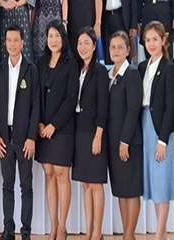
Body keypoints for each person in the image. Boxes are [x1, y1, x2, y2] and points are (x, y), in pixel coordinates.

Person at [0, 25, 40, 240]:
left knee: (26, 186)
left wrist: (31, 137)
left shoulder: (31, 70)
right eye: (9, 40)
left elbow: (36, 106)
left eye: (16, 40)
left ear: (22, 43)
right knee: (7, 186)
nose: (12, 44)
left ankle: (26, 231)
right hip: (4, 137)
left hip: (24, 139)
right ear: (5, 43)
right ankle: (8, 230)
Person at [36, 20, 79, 240]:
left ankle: (62, 227)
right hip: (43, 129)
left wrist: (54, 125)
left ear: (63, 38)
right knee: (49, 174)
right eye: (49, 36)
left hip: (62, 128)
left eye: (56, 36)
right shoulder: (41, 61)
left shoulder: (71, 63)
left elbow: (71, 99)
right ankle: (53, 225)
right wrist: (40, 124)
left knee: (62, 174)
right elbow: (36, 95)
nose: (53, 40)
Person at [71, 28, 109, 240]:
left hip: (94, 132)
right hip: (79, 131)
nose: (82, 47)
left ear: (94, 46)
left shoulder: (100, 71)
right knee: (85, 184)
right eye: (80, 43)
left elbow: (103, 106)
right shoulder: (77, 69)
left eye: (87, 43)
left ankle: (97, 232)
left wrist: (98, 135)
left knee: (95, 184)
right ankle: (88, 230)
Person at [138, 21, 174, 240]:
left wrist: (163, 140)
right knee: (153, 181)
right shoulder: (143, 67)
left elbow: (171, 107)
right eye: (147, 40)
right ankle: (162, 232)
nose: (151, 43)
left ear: (163, 40)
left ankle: (160, 234)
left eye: (155, 39)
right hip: (145, 124)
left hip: (160, 129)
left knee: (161, 182)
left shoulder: (169, 68)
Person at [107, 31, 142, 240]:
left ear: (128, 50)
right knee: (121, 190)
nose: (116, 50)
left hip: (128, 142)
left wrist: (124, 141)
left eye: (121, 47)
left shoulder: (132, 74)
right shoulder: (109, 75)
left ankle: (128, 235)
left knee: (132, 190)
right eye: (113, 47)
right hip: (113, 142)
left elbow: (132, 110)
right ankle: (128, 234)